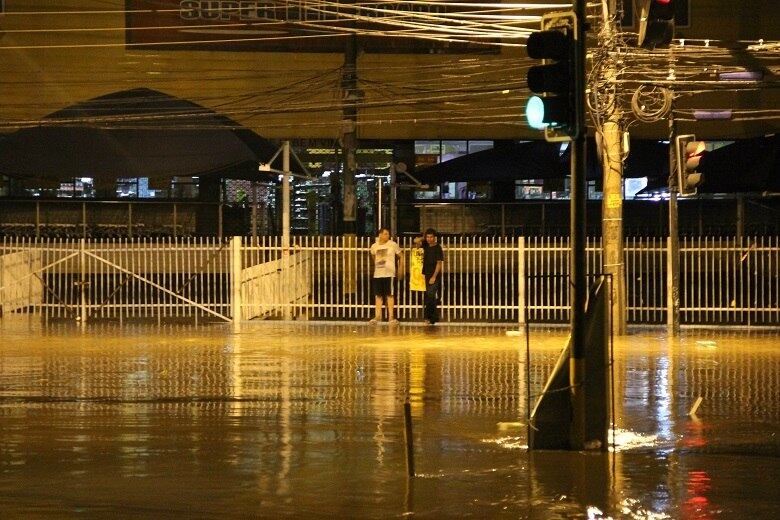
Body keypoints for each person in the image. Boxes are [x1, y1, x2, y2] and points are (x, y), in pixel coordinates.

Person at [369, 228, 404, 324]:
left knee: (390, 295)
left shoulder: (392, 244)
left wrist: (400, 268)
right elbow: (373, 257)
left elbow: (401, 256)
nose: (387, 236)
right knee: (378, 296)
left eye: (388, 234)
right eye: (385, 234)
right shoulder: (374, 246)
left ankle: (391, 317)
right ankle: (377, 316)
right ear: (380, 234)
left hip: (389, 274)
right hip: (378, 274)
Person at [415, 228, 444, 325]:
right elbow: (416, 241)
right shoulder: (426, 246)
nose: (429, 239)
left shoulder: (438, 248)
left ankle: (428, 317)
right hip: (426, 274)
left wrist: (434, 276)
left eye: (431, 237)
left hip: (434, 275)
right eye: (428, 237)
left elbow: (439, 263)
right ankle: (434, 318)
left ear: (435, 237)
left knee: (430, 295)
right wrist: (423, 237)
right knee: (429, 296)